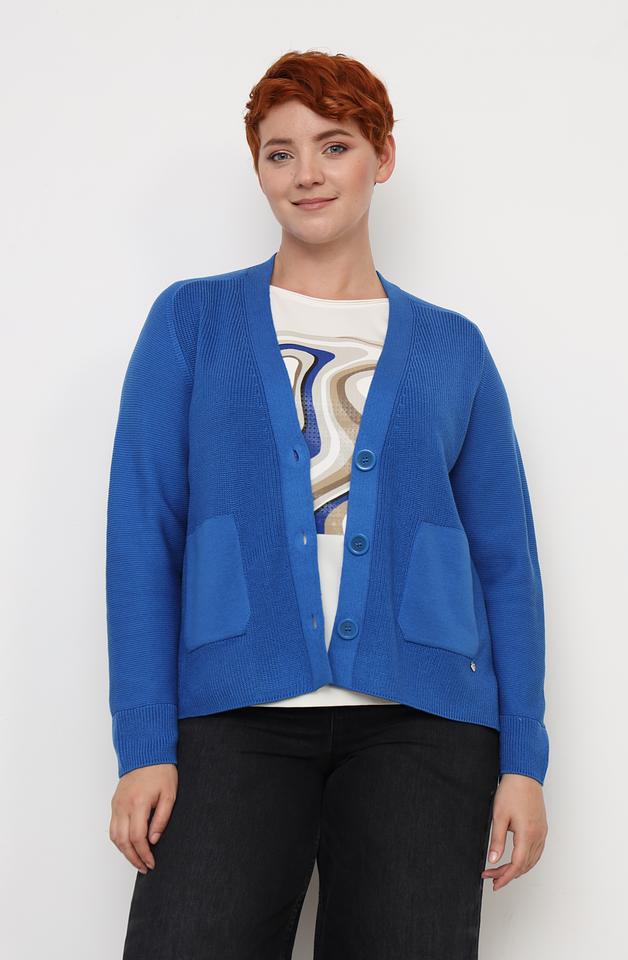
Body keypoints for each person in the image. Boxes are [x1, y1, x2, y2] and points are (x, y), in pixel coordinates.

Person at [106, 49, 549, 960]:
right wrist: (145, 742)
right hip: (234, 717)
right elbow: (143, 534)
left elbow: (506, 560)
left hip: (426, 728)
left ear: (382, 157)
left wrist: (523, 759)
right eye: (280, 152)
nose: (306, 173)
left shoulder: (453, 347)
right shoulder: (192, 321)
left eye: (334, 145)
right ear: (259, 168)